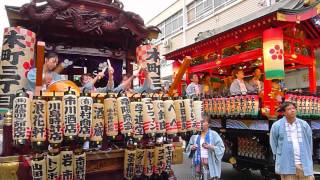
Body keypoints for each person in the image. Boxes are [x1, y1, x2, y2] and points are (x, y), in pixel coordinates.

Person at [270, 102, 314, 180]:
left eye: (293, 108)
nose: (292, 110)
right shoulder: (277, 125)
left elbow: (309, 141)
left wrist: (309, 156)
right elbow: (273, 143)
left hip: (304, 164)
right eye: (289, 109)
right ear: (283, 112)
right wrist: (279, 157)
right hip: (286, 164)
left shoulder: (304, 124)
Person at [187, 114, 225, 180]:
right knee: (199, 177)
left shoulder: (214, 134)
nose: (201, 124)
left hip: (210, 163)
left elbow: (221, 148)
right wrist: (191, 147)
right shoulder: (195, 136)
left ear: (209, 124)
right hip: (198, 162)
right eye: (199, 122)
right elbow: (188, 147)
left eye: (203, 122)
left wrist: (211, 147)